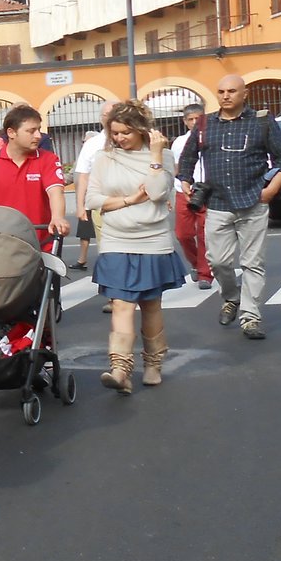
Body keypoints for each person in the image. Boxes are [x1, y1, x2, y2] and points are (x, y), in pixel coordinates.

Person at [175, 75, 281, 340]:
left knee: (253, 264)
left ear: (244, 93)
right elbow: (187, 158)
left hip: (253, 202)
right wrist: (185, 181)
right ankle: (231, 297)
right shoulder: (204, 124)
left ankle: (250, 317)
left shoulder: (261, 122)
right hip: (217, 203)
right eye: (221, 91)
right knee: (218, 261)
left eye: (231, 91)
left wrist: (271, 190)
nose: (225, 95)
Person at [85, 100, 186, 391]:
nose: (119, 138)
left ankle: (153, 363)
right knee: (121, 304)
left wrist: (155, 155)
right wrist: (129, 200)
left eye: (125, 132)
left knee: (151, 304)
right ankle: (120, 369)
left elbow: (156, 192)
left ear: (142, 130)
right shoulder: (105, 158)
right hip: (117, 239)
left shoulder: (163, 156)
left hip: (153, 240)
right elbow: (92, 200)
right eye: (114, 133)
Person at [0, 105, 70, 245]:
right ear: (11, 133)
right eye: (31, 131)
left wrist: (58, 218)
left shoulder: (48, 159)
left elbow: (56, 192)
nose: (38, 136)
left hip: (42, 244)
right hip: (2, 245)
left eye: (38, 129)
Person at [168, 102, 215, 289]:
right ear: (185, 121)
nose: (194, 122)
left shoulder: (213, 137)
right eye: (190, 119)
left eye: (198, 118)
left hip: (208, 191)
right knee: (183, 234)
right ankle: (196, 263)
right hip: (184, 190)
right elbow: (175, 167)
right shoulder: (179, 142)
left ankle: (205, 274)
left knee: (204, 234)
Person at [71, 103, 114, 270]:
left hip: (131, 202)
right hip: (101, 203)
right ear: (101, 118)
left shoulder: (132, 139)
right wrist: (80, 206)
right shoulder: (92, 144)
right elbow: (83, 175)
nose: (110, 118)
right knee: (107, 248)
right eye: (106, 114)